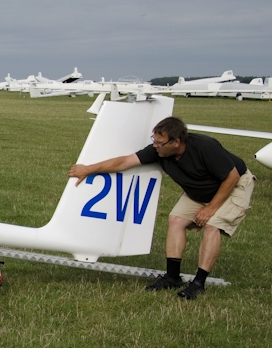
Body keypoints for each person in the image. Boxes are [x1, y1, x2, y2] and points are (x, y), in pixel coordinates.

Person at [68, 116, 255, 300]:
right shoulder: (158, 152)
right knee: (176, 220)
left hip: (234, 186)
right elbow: (124, 162)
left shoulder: (206, 147)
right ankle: (173, 277)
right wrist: (89, 169)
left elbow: (232, 177)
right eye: (154, 140)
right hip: (200, 192)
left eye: (160, 143)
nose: (155, 145)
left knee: (212, 226)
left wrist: (211, 208)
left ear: (176, 142)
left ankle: (199, 283)